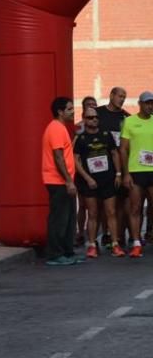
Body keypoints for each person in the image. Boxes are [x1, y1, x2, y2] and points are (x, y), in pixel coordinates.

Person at [74, 106, 123, 258]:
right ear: (84, 119)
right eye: (90, 117)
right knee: (93, 213)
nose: (94, 119)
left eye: (96, 117)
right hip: (90, 182)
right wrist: (87, 178)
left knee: (111, 212)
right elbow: (76, 160)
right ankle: (92, 245)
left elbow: (114, 154)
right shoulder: (81, 139)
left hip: (108, 180)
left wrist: (119, 174)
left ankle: (115, 244)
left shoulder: (106, 135)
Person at [41, 97, 81, 266]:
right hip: (58, 182)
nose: (73, 111)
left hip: (64, 182)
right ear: (60, 111)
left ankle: (67, 252)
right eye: (70, 109)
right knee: (60, 219)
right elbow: (58, 157)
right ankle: (55, 255)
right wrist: (68, 181)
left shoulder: (61, 128)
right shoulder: (56, 128)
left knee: (70, 218)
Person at [95, 87, 130, 247]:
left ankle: (119, 235)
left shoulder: (126, 117)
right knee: (103, 203)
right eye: (119, 96)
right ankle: (105, 234)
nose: (122, 99)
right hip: (100, 164)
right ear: (111, 95)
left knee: (120, 202)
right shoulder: (98, 113)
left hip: (120, 165)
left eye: (124, 97)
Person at [120, 91, 153, 258]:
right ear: (140, 104)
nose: (150, 106)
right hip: (136, 171)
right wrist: (125, 174)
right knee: (135, 208)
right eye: (147, 103)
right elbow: (123, 149)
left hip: (152, 171)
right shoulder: (130, 121)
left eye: (152, 103)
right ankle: (136, 243)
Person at [73, 96, 99, 246]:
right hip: (82, 170)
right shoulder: (77, 128)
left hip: (98, 170)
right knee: (83, 204)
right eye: (89, 105)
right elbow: (72, 147)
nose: (92, 107)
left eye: (94, 105)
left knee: (97, 206)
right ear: (83, 109)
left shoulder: (99, 126)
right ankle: (80, 232)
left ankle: (95, 236)